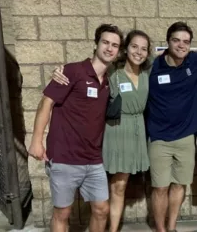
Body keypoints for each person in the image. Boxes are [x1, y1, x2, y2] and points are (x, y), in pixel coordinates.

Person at [50, 30, 153, 232]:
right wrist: (59, 71)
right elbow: (86, 70)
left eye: (143, 48)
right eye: (134, 46)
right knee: (99, 182)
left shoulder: (149, 73)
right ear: (125, 49)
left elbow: (174, 59)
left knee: (120, 185)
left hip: (135, 132)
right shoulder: (112, 71)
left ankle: (112, 230)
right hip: (112, 132)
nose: (138, 52)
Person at [28, 24, 123, 232]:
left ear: (118, 52)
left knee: (101, 209)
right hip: (64, 157)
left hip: (93, 159)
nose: (109, 48)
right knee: (62, 213)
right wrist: (36, 141)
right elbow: (46, 103)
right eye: (105, 42)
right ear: (96, 44)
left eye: (114, 45)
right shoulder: (72, 71)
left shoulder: (108, 82)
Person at [146, 22, 197, 232]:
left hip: (185, 137)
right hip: (158, 138)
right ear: (168, 42)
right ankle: (160, 229)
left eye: (186, 42)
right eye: (176, 40)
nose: (181, 45)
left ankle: (172, 226)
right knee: (160, 187)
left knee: (179, 185)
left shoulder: (196, 60)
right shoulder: (152, 66)